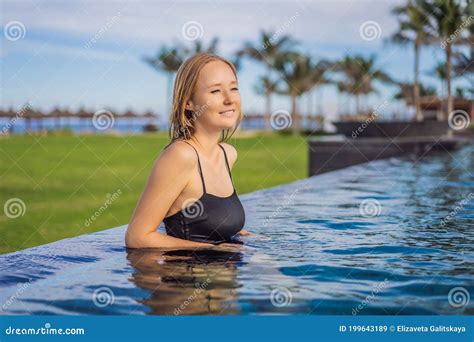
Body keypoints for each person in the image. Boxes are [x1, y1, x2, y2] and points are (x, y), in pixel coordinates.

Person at [125, 53, 250, 251]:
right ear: (188, 102)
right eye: (216, 91)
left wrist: (239, 234)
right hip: (188, 279)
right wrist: (214, 249)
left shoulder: (227, 154)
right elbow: (137, 237)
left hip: (223, 276)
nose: (229, 99)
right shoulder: (181, 156)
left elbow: (210, 219)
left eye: (233, 88)